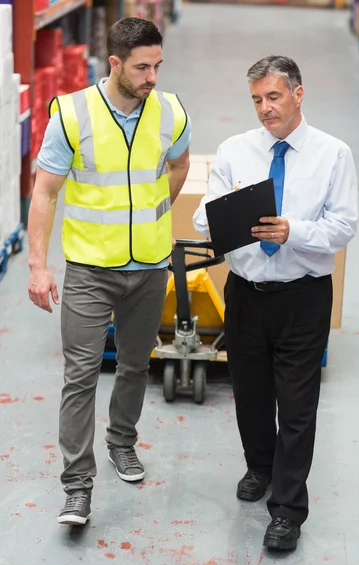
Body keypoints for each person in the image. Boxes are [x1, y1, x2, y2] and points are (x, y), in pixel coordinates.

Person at [27, 17, 191, 526]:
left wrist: (154, 211)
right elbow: (45, 191)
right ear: (115, 63)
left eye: (158, 65)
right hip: (90, 269)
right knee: (80, 376)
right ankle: (77, 486)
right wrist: (37, 265)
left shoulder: (170, 111)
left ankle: (123, 442)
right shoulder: (72, 114)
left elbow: (180, 164)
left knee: (137, 366)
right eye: (143, 67)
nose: (153, 77)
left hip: (149, 267)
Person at [193, 55, 357, 551]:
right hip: (245, 293)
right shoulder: (235, 150)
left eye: (274, 97)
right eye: (257, 100)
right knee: (252, 392)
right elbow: (204, 217)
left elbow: (343, 225)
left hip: (303, 296)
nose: (265, 109)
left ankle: (287, 510)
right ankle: (259, 465)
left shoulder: (334, 154)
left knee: (299, 406)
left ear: (298, 94)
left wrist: (293, 231)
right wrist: (229, 213)